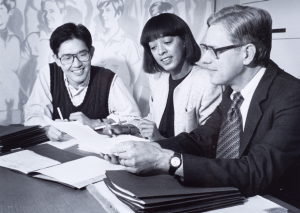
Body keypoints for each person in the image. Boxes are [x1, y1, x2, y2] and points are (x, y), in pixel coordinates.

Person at [105, 5, 300, 208]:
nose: (204, 59)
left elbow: (254, 171)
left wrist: (164, 159)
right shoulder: (232, 91)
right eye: (206, 48)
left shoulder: (293, 96)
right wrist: (143, 149)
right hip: (232, 197)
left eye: (214, 51)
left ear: (247, 54)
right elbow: (200, 139)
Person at [109, 13, 223, 141]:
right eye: (153, 47)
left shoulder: (208, 82)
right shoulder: (157, 79)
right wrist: (127, 128)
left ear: (184, 41)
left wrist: (160, 140)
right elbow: (152, 120)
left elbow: (206, 143)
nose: (160, 51)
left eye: (167, 42)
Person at [24, 23, 141, 141]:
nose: (77, 64)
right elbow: (32, 117)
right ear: (57, 60)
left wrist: (95, 123)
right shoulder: (48, 74)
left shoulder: (108, 79)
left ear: (91, 52)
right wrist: (47, 128)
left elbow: (135, 120)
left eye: (82, 54)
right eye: (67, 58)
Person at [92, 0, 147, 112]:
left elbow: (136, 82)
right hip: (94, 106)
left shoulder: (128, 44)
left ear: (118, 14)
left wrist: (135, 110)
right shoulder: (93, 41)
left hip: (119, 109)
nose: (103, 15)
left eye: (108, 10)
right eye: (101, 11)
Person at [18, 0, 66, 102]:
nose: (47, 16)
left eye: (52, 11)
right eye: (44, 11)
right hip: (38, 104)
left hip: (64, 103)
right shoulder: (32, 39)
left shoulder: (72, 40)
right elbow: (22, 75)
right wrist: (33, 98)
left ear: (63, 12)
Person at [0, 0, 21, 124]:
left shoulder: (15, 40)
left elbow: (15, 67)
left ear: (10, 12)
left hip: (13, 95)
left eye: (1, 10)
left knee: (15, 128)